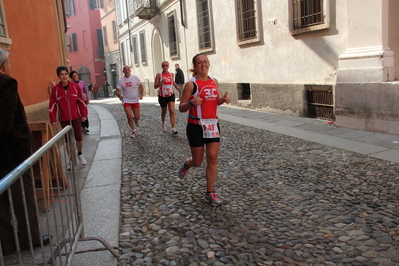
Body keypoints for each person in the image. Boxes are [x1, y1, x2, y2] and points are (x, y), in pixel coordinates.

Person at [0, 48, 49, 255]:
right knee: (23, 196)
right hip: (12, 151)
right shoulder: (6, 83)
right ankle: (30, 238)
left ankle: (8, 244)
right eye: (8, 62)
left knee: (1, 203)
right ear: (4, 65)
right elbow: (5, 122)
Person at [178, 53, 230, 207]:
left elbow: (214, 102)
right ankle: (187, 164)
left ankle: (210, 192)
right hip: (195, 126)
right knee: (198, 161)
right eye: (200, 62)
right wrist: (192, 103)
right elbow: (181, 107)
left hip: (212, 125)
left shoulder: (214, 81)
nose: (203, 64)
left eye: (205, 61)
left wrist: (222, 100)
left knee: (212, 158)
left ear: (209, 63)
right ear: (195, 66)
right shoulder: (191, 84)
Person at [49, 66, 88, 166]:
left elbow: (81, 101)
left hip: (76, 117)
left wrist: (84, 114)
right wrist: (53, 119)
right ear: (58, 76)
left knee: (78, 137)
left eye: (66, 74)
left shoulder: (75, 87)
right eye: (61, 74)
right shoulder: (55, 89)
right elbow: (52, 105)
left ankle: (80, 154)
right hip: (64, 118)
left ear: (68, 75)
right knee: (67, 140)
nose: (64, 76)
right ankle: (71, 159)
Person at [115, 65, 144, 138]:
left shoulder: (135, 78)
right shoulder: (121, 81)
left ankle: (136, 120)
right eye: (125, 69)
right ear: (123, 71)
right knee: (129, 116)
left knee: (137, 117)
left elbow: (141, 86)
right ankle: (133, 130)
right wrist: (119, 96)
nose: (127, 70)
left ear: (130, 70)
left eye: (128, 69)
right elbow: (117, 91)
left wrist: (141, 94)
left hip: (135, 99)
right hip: (126, 100)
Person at [154, 61, 179, 134]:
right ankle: (163, 121)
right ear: (162, 67)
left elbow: (172, 81)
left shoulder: (171, 74)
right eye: (163, 66)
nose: (165, 67)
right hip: (162, 96)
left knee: (172, 111)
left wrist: (176, 85)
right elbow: (155, 86)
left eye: (166, 65)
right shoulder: (159, 75)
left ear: (168, 66)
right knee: (164, 111)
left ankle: (173, 128)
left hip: (171, 94)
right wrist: (161, 82)